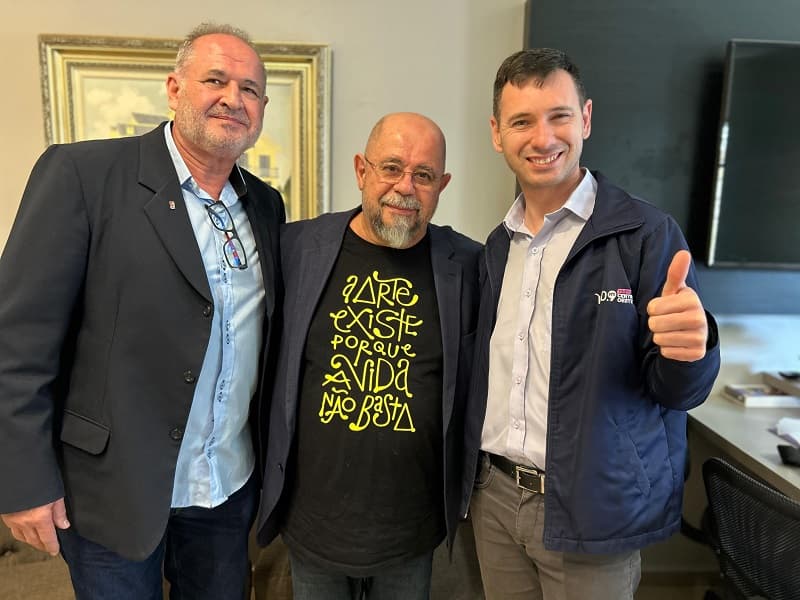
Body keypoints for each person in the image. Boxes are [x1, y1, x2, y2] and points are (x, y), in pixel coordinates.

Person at [0, 22, 284, 600]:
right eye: (216, 80)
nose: (234, 98)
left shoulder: (266, 204)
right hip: (112, 491)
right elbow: (17, 344)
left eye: (251, 89)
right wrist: (21, 480)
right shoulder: (83, 176)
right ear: (175, 89)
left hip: (226, 491)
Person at [465, 48, 721, 600]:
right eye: (522, 121)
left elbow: (677, 391)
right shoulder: (495, 247)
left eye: (558, 116)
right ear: (496, 133)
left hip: (593, 511)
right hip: (496, 501)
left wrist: (692, 352)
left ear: (584, 118)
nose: (542, 137)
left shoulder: (645, 234)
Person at [256, 112, 481, 599]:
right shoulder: (295, 247)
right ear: (362, 170)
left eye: (423, 175)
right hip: (313, 522)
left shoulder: (468, 265)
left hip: (409, 529)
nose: (405, 187)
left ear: (441, 185)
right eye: (391, 168)